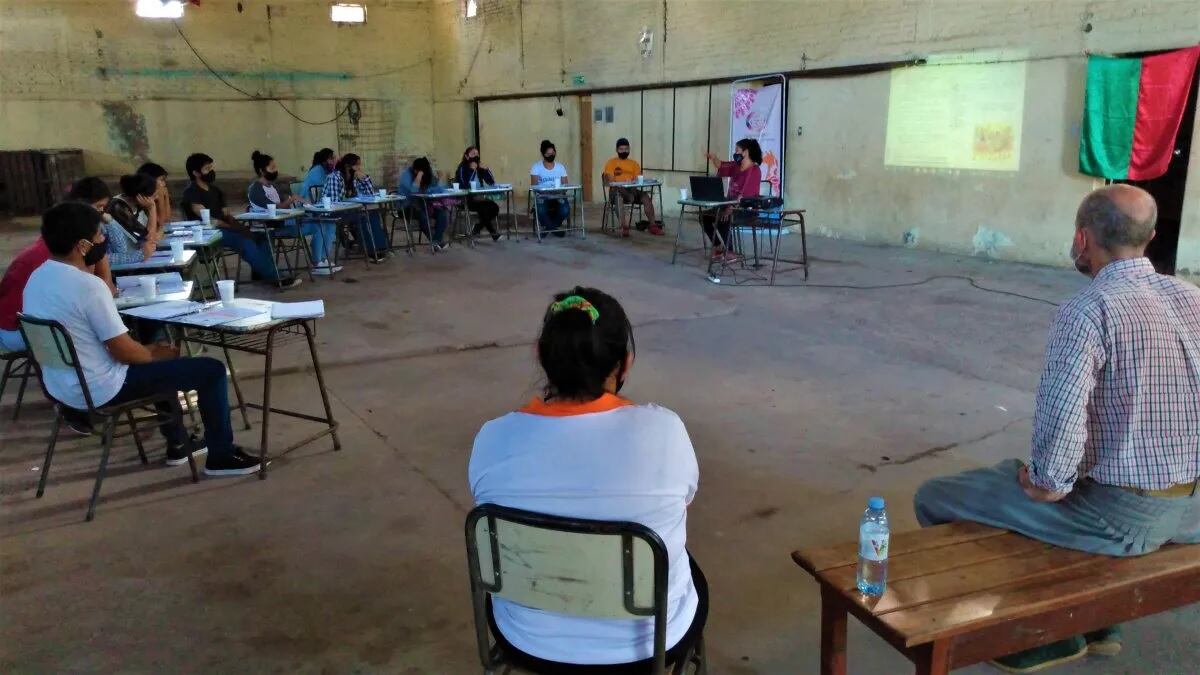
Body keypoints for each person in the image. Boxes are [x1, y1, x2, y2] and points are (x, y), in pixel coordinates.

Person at [913, 185, 1200, 672]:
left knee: (941, 497)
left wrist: (1044, 482)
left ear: (1081, 239)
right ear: (1149, 238)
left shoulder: (1089, 311)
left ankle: (1041, 634)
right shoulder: (1192, 299)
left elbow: (1058, 447)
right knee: (1033, 489)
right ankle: (1097, 618)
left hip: (1126, 519)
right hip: (1193, 509)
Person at [469, 287, 707, 673]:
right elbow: (682, 503)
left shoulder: (492, 439)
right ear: (624, 364)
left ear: (541, 356)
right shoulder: (665, 431)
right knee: (675, 559)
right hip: (650, 644)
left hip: (528, 638)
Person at [21, 202, 263, 475]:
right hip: (103, 387)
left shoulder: (37, 278)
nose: (104, 242)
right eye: (100, 236)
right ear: (83, 246)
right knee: (211, 370)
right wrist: (152, 353)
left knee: (160, 364)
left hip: (63, 387)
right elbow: (124, 352)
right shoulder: (88, 287)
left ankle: (178, 442)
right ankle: (222, 456)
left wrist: (150, 353)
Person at [0, 178, 118, 353]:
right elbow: (106, 291)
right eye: (98, 208)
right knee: (101, 334)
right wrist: (98, 252)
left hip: (18, 326)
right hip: (16, 331)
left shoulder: (56, 243)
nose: (101, 216)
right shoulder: (62, 256)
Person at [180, 152, 300, 288]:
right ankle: (276, 278)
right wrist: (233, 228)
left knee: (262, 236)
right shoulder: (191, 192)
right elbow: (208, 219)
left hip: (225, 227)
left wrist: (241, 228)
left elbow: (226, 214)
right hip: (207, 232)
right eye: (207, 169)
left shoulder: (215, 190)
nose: (211, 171)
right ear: (196, 173)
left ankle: (260, 272)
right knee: (244, 241)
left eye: (211, 168)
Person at [247, 150, 341, 276]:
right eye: (272, 168)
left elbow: (285, 202)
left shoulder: (272, 186)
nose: (275, 170)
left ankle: (322, 260)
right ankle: (317, 263)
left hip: (285, 222)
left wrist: (298, 201)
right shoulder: (255, 189)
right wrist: (292, 199)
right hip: (271, 227)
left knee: (325, 223)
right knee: (318, 224)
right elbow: (275, 207)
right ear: (261, 171)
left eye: (275, 167)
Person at [321, 152, 390, 262]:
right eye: (356, 165)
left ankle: (381, 246)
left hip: (348, 210)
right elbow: (335, 202)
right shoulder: (334, 177)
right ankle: (371, 250)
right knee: (363, 216)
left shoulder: (353, 178)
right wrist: (352, 205)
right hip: (333, 212)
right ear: (347, 166)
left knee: (373, 213)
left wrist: (365, 178)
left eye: (359, 164)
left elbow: (369, 193)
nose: (359, 167)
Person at [701, 139, 763, 260]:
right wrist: (713, 157)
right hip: (730, 204)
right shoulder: (736, 166)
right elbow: (721, 165)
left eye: (737, 150)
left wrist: (731, 208)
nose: (735, 153)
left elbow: (745, 195)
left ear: (745, 152)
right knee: (704, 217)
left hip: (746, 209)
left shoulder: (754, 171)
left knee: (725, 217)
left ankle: (730, 252)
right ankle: (718, 247)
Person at [603, 138, 661, 237]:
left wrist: (632, 184)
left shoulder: (634, 164)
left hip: (632, 189)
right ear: (617, 150)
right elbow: (611, 181)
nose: (624, 151)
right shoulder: (611, 163)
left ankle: (653, 225)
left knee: (645, 197)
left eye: (626, 149)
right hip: (616, 191)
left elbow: (638, 180)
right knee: (619, 194)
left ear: (629, 149)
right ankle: (624, 226)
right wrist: (622, 183)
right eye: (621, 149)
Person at [104, 173, 163, 266]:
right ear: (142, 196)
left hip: (136, 256)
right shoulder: (118, 207)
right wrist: (152, 209)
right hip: (123, 261)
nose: (157, 198)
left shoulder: (136, 204)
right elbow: (150, 238)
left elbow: (158, 229)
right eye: (154, 195)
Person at [397, 156, 452, 251]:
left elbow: (438, 189)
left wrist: (440, 179)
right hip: (407, 207)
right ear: (416, 170)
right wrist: (419, 176)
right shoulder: (406, 176)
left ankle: (436, 241)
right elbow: (413, 191)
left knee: (443, 213)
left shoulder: (427, 173)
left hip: (425, 205)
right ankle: (436, 242)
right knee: (422, 215)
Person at [454, 146, 501, 241]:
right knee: (484, 208)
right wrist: (472, 170)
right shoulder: (462, 168)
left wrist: (486, 169)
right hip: (466, 199)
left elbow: (491, 182)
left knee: (494, 208)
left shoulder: (479, 168)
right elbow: (464, 185)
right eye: (473, 154)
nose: (475, 156)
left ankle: (477, 227)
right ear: (467, 157)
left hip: (480, 198)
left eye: (477, 154)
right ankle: (493, 233)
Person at [529, 140, 570, 236]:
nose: (551, 155)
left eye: (553, 153)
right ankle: (554, 229)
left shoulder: (560, 167)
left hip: (558, 195)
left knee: (565, 210)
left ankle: (548, 228)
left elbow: (566, 185)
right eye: (548, 154)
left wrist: (559, 191)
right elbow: (534, 186)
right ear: (543, 154)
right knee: (541, 210)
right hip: (542, 196)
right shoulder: (536, 167)